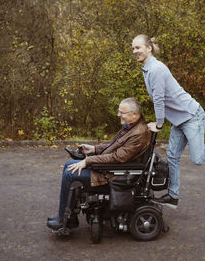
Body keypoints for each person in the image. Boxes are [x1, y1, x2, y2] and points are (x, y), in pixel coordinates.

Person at [131, 34, 205, 209]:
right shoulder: (148, 69)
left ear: (149, 48)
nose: (135, 51)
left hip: (192, 116)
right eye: (133, 48)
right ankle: (173, 196)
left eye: (138, 47)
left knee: (198, 159)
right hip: (180, 120)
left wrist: (159, 124)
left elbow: (160, 99)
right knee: (172, 156)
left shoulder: (156, 69)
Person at [47, 97, 151, 230]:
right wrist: (94, 149)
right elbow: (115, 146)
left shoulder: (139, 134)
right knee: (69, 165)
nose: (118, 115)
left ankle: (64, 220)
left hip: (115, 174)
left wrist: (88, 160)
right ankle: (68, 216)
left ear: (134, 114)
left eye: (122, 112)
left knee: (69, 173)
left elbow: (117, 157)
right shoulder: (132, 127)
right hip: (112, 168)